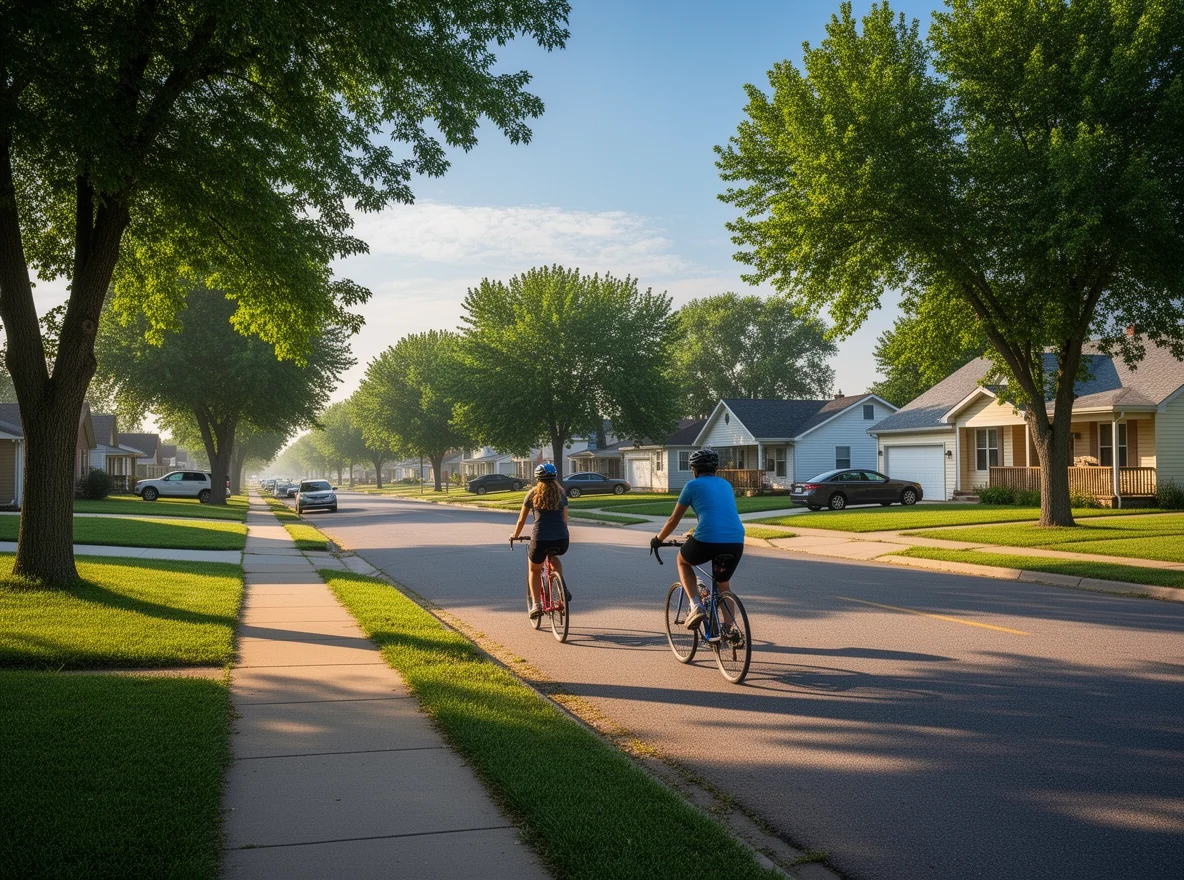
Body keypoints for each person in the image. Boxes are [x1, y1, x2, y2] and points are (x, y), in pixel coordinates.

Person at [651, 448, 744, 630]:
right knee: (723, 583)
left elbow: (673, 520)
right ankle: (729, 629)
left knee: (682, 561)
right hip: (735, 539)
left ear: (694, 469)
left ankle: (696, 606)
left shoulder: (691, 486)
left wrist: (658, 539)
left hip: (707, 538)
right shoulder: (726, 485)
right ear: (715, 469)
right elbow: (718, 514)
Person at [511, 462, 570, 619]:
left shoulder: (533, 494)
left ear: (537, 478)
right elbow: (565, 520)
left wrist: (515, 535)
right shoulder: (561, 494)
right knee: (554, 557)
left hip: (540, 539)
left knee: (534, 570)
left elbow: (521, 520)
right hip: (562, 539)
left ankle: (536, 604)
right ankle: (562, 589)